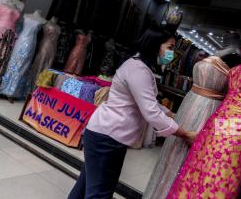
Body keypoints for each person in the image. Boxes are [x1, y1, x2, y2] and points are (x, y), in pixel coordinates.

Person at [68, 27, 196, 199]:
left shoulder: (138, 66)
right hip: (108, 137)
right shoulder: (139, 70)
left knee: (85, 187)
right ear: (154, 45)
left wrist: (169, 113)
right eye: (170, 47)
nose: (172, 53)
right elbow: (150, 111)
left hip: (104, 133)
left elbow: (147, 102)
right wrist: (185, 134)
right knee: (99, 193)